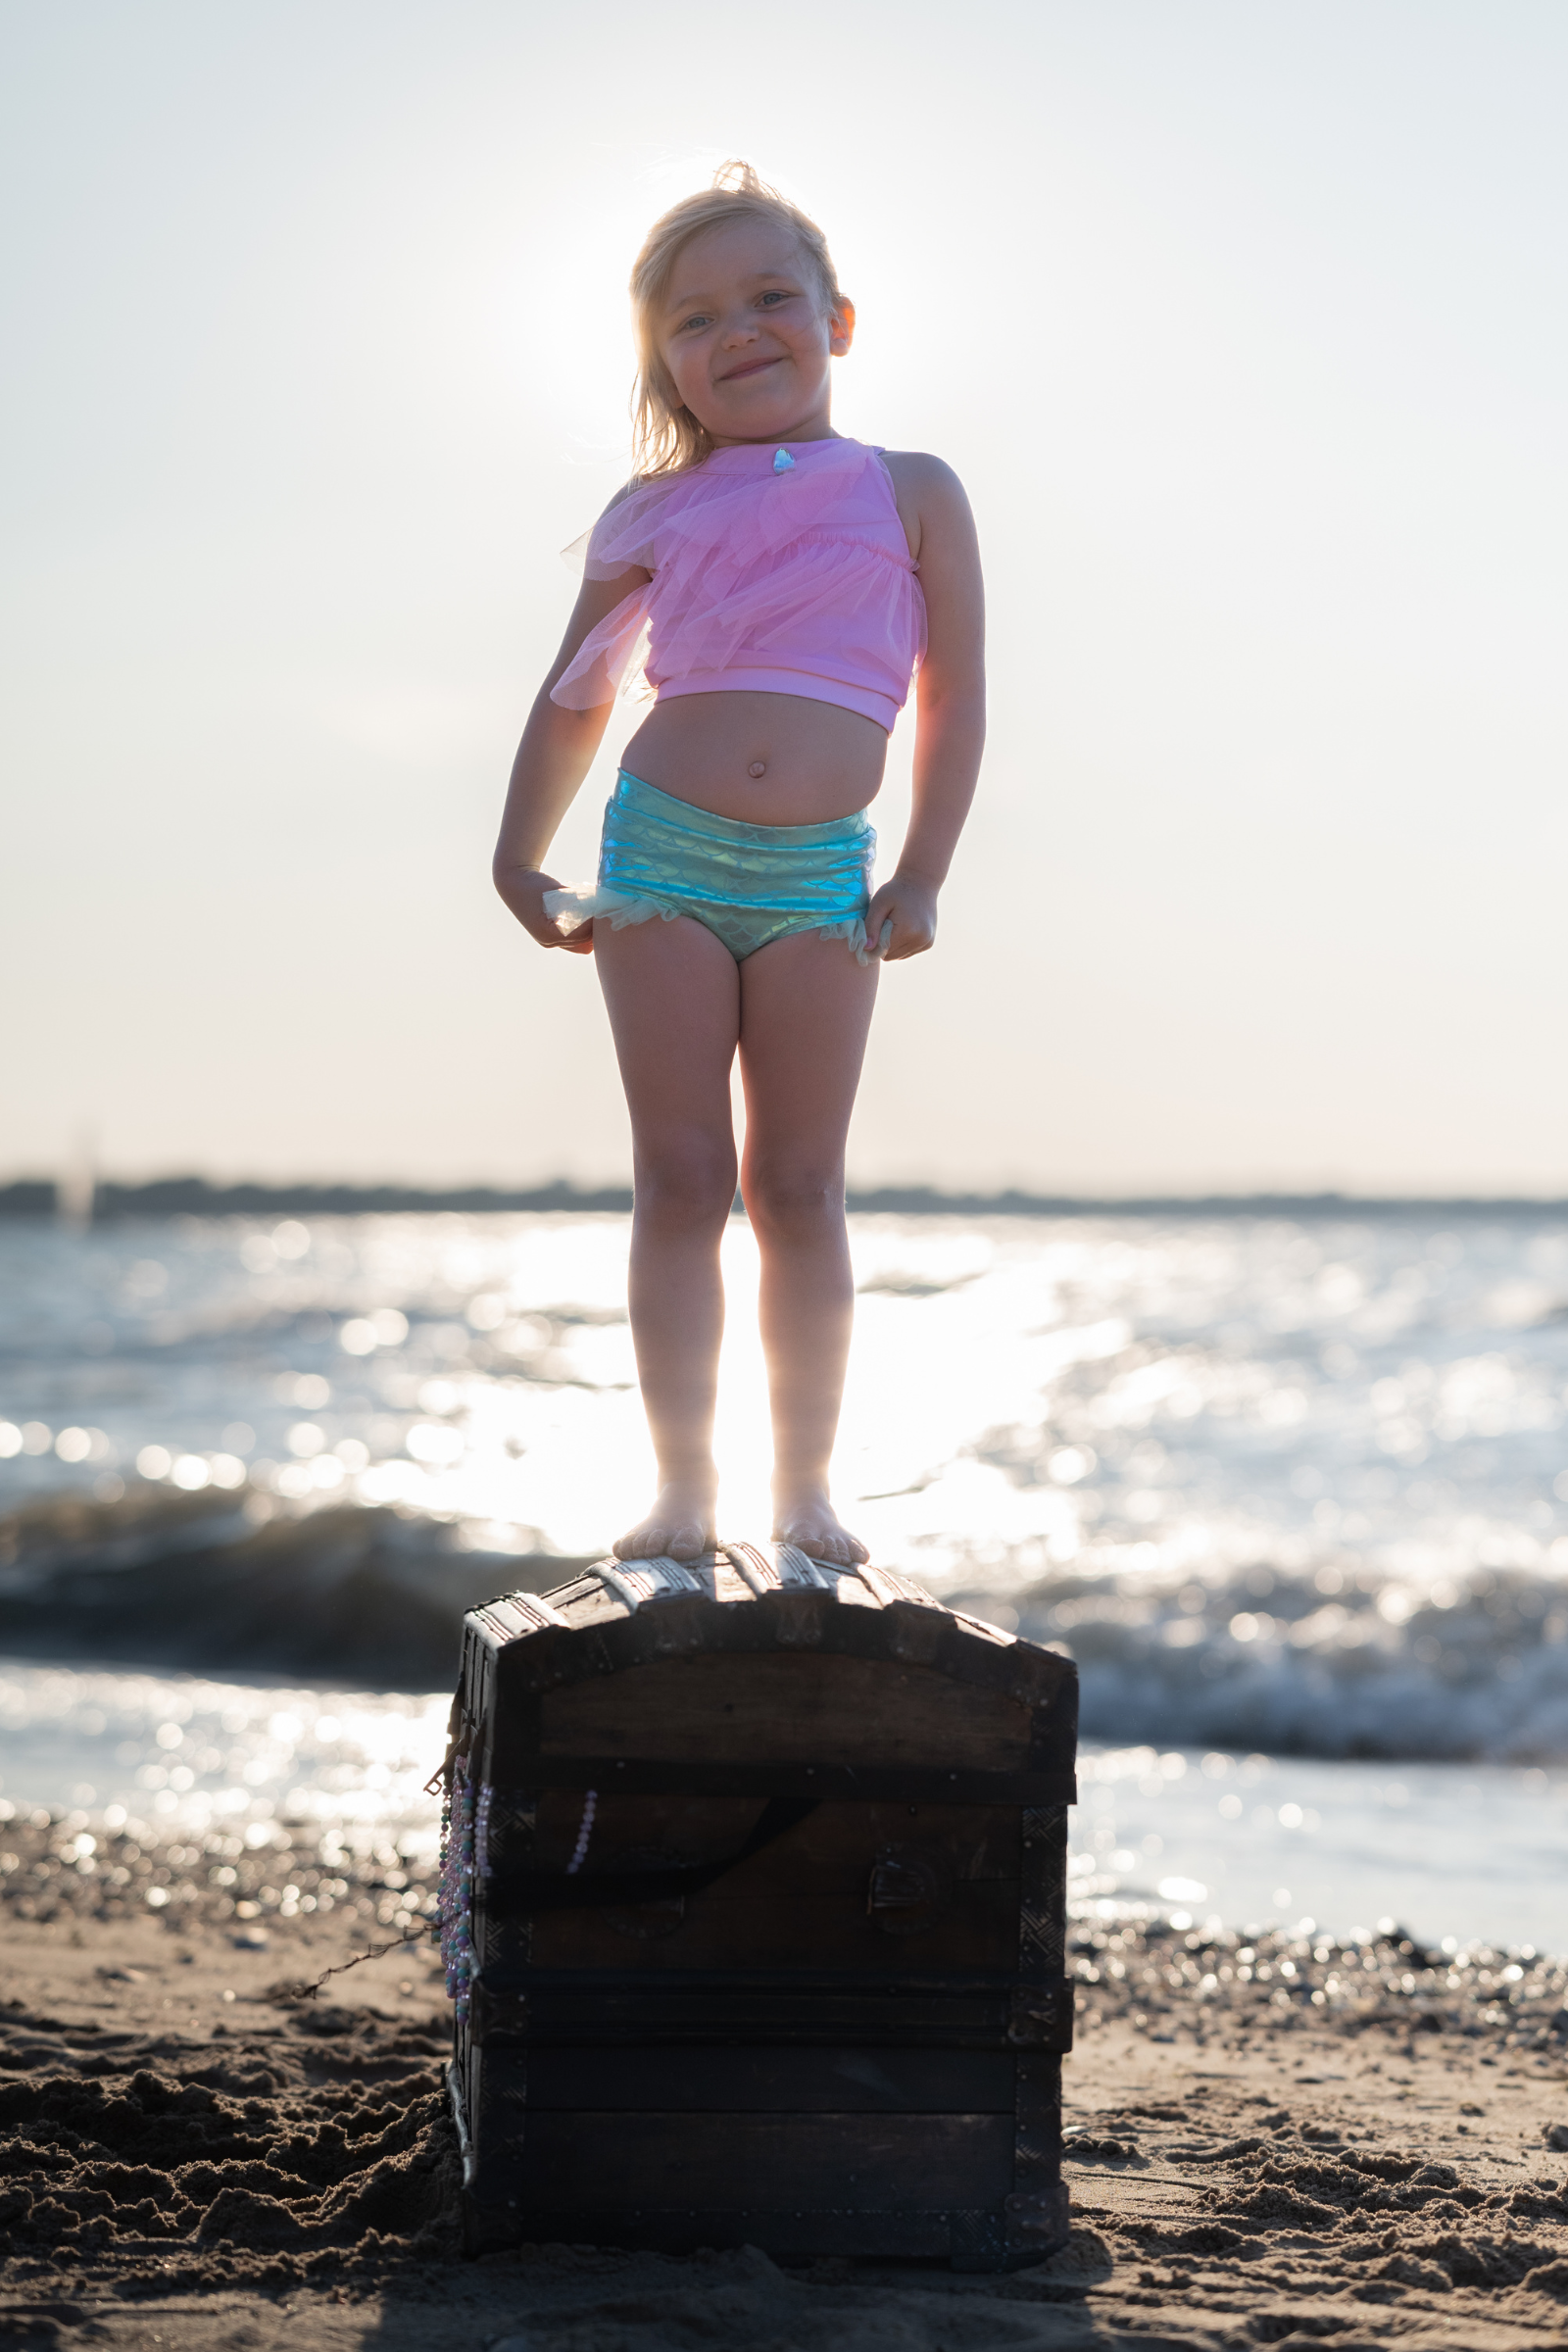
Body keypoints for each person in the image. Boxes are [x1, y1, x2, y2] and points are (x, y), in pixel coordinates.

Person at [493, 162, 985, 1566]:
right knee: (685, 1174)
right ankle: (681, 1493)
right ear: (667, 365)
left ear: (838, 319)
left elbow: (956, 697)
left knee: (802, 1188)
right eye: (696, 318)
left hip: (827, 872)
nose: (740, 329)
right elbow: (577, 692)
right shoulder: (650, 511)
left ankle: (808, 1494)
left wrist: (926, 870)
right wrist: (516, 856)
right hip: (661, 856)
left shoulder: (911, 490)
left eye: (771, 296)